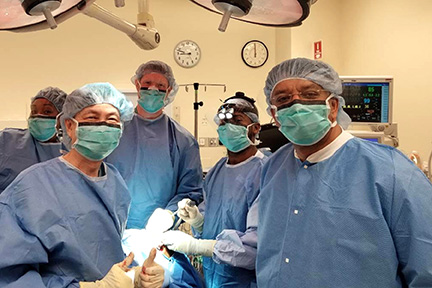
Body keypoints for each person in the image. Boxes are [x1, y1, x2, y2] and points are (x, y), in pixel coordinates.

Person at [256, 57, 432, 287]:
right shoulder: (272, 167)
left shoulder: (391, 171)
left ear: (333, 106)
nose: (296, 105)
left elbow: (425, 268)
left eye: (309, 95)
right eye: (283, 99)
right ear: (274, 115)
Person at [0, 83, 164, 288]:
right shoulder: (32, 187)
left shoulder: (114, 181)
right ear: (70, 126)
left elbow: (106, 252)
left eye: (111, 120)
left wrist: (135, 275)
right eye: (92, 118)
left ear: (121, 129)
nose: (103, 127)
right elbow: (10, 276)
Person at [162, 92, 266, 288]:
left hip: (245, 280)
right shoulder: (217, 171)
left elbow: (256, 246)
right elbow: (213, 224)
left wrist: (197, 246)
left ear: (255, 127)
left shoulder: (264, 172)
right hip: (213, 274)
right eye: (223, 123)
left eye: (237, 120)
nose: (228, 127)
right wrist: (197, 220)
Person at [106, 60, 203, 229]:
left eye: (160, 85)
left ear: (169, 91)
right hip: (111, 226)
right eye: (147, 83)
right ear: (137, 85)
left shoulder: (183, 140)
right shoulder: (113, 131)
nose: (153, 89)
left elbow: (190, 190)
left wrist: (170, 214)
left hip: (159, 233)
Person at [0, 86, 67, 193]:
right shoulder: (7, 140)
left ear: (63, 118)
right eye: (34, 111)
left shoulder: (73, 150)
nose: (37, 116)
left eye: (47, 111)